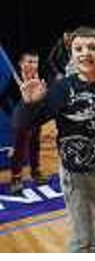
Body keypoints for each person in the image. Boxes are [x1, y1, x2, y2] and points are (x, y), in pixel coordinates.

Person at [14, 27, 95, 252]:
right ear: (71, 54)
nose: (85, 53)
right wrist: (28, 104)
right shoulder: (62, 88)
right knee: (83, 235)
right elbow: (23, 125)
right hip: (75, 174)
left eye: (92, 48)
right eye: (78, 48)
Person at [10, 51, 43, 194]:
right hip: (22, 116)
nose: (32, 65)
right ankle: (16, 179)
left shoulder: (40, 77)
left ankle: (35, 172)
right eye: (29, 61)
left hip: (36, 115)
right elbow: (7, 98)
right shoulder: (15, 79)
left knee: (35, 144)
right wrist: (18, 110)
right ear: (21, 64)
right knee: (19, 149)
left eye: (35, 62)